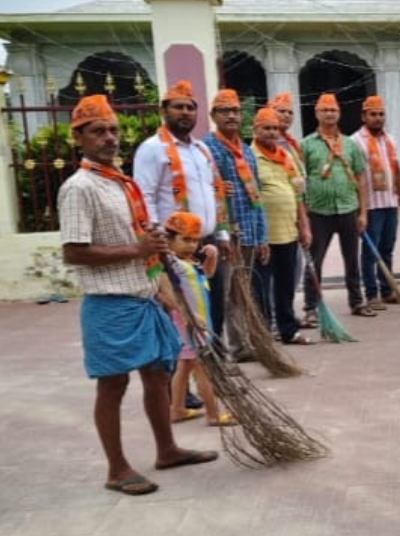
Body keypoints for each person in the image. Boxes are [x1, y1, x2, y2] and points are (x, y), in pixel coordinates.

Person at [59, 95, 217, 497]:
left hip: (144, 295)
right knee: (112, 386)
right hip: (110, 301)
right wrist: (138, 249)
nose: (109, 138)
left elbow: (141, 240)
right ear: (79, 138)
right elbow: (73, 251)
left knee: (156, 375)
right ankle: (117, 469)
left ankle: (167, 450)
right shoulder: (79, 188)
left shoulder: (121, 181)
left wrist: (155, 250)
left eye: (112, 130)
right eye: (98, 131)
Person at [133, 79, 228, 397]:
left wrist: (222, 232)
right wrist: (157, 240)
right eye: (178, 107)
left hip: (204, 239)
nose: (185, 112)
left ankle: (209, 379)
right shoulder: (152, 149)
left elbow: (214, 192)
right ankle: (179, 389)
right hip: (172, 246)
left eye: (190, 107)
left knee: (208, 311)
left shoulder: (201, 149)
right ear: (164, 111)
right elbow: (143, 195)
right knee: (179, 317)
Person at [204, 89, 270, 357]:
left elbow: (257, 194)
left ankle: (243, 343)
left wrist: (262, 235)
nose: (231, 116)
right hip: (226, 234)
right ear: (213, 116)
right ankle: (221, 347)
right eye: (224, 111)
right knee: (224, 292)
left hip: (250, 229)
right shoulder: (208, 148)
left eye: (235, 111)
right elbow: (202, 189)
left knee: (243, 291)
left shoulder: (245, 150)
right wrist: (217, 188)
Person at [161, 211, 237, 426]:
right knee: (203, 368)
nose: (191, 245)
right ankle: (213, 415)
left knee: (185, 365)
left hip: (200, 320)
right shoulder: (169, 263)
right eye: (185, 240)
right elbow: (166, 294)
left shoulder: (187, 261)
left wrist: (211, 257)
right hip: (189, 323)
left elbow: (207, 276)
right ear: (169, 239)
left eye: (195, 240)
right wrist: (188, 315)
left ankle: (176, 410)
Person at [301, 93, 371, 317]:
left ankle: (357, 302)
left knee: (352, 260)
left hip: (348, 209)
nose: (329, 114)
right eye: (325, 110)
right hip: (318, 212)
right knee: (315, 261)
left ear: (339, 114)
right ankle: (311, 307)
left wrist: (363, 213)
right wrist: (302, 216)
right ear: (317, 113)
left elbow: (361, 178)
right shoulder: (306, 145)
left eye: (333, 110)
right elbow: (300, 181)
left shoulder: (350, 144)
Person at [253, 106, 314, 344]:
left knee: (286, 285)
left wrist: (304, 225)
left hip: (288, 231)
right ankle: (265, 334)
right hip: (266, 235)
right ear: (255, 130)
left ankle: (288, 330)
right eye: (266, 128)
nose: (271, 132)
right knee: (261, 288)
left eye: (275, 128)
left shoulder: (286, 156)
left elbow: (298, 194)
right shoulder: (251, 157)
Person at [352, 95, 400, 308]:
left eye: (381, 114)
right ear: (364, 116)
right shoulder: (355, 142)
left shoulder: (390, 140)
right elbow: (354, 177)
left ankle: (387, 291)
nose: (377, 118)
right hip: (370, 207)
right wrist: (360, 210)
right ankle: (372, 294)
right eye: (373, 114)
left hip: (389, 203)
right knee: (370, 252)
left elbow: (396, 171)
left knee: (387, 249)